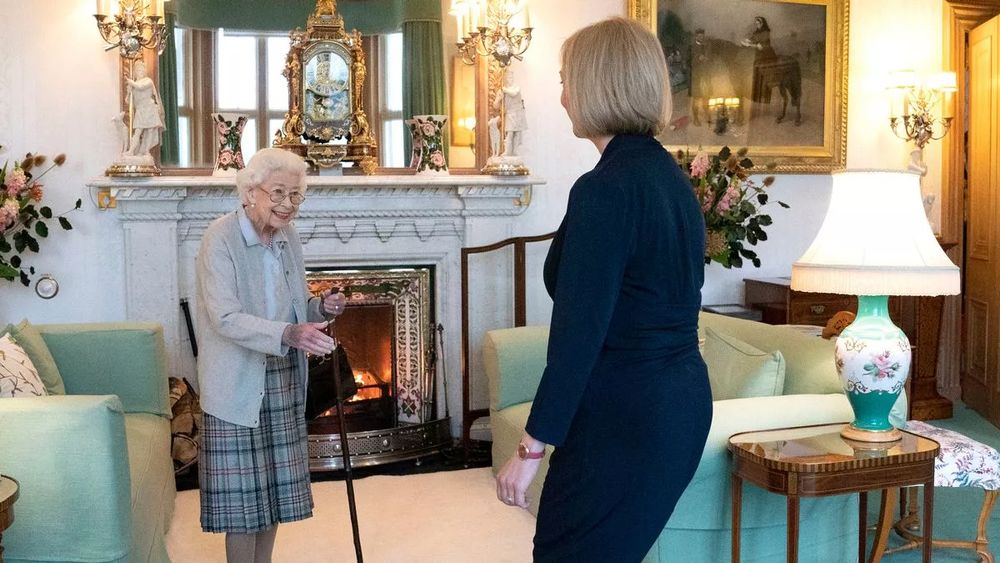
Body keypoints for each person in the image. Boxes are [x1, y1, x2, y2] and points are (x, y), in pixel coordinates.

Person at [495, 17, 713, 562]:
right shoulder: (669, 179)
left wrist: (530, 447)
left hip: (627, 414)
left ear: (598, 84)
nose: (563, 96)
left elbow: (578, 337)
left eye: (567, 79)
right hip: (676, 404)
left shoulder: (606, 189)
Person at [195, 147, 346, 563]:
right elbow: (224, 317)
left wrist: (322, 309)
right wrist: (290, 332)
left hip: (282, 377)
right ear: (250, 191)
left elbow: (295, 308)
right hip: (237, 384)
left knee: (276, 495)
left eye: (296, 195)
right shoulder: (219, 238)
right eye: (278, 192)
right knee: (244, 507)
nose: (287, 204)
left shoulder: (288, 237)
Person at [125, 61, 164, 157]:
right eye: (138, 70)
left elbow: (141, 87)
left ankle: (146, 151)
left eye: (142, 70)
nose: (140, 71)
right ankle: (131, 151)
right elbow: (128, 101)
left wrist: (132, 83)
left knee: (150, 130)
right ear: (135, 72)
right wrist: (129, 92)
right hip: (140, 110)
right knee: (138, 131)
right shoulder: (133, 84)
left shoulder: (148, 81)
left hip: (149, 108)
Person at [741, 16, 778, 104]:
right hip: (758, 54)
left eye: (758, 23)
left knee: (766, 73)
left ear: (762, 23)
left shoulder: (766, 32)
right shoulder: (756, 32)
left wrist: (749, 45)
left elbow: (760, 46)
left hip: (766, 52)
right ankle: (756, 96)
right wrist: (746, 41)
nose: (756, 25)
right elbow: (752, 39)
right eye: (756, 23)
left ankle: (767, 95)